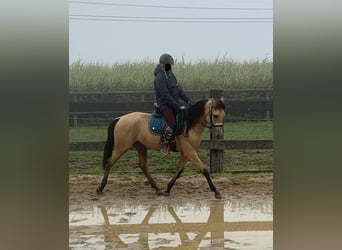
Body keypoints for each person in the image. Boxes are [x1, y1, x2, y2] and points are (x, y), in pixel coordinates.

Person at [153, 53, 192, 156]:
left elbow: (178, 90)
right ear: (162, 65)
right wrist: (177, 106)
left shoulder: (171, 75)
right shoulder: (160, 78)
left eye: (170, 64)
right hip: (164, 105)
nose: (170, 66)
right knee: (172, 122)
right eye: (168, 64)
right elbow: (165, 95)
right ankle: (164, 144)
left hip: (173, 104)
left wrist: (187, 99)